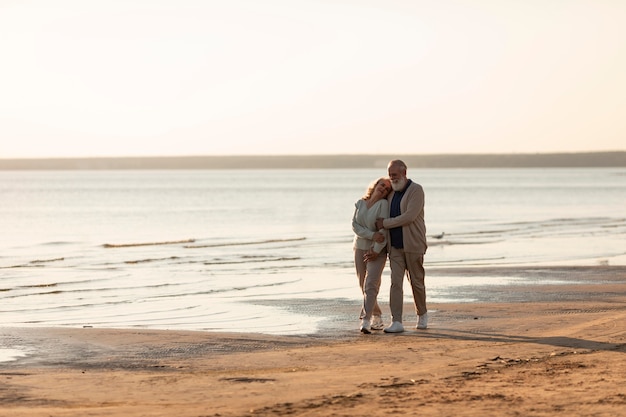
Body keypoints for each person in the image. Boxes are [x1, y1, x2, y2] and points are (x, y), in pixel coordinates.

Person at [375, 160, 428, 333]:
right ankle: (396, 321)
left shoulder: (416, 190)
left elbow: (409, 217)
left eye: (395, 175)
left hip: (414, 244)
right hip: (395, 247)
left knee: (417, 282)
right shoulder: (391, 193)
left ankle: (422, 314)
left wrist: (385, 223)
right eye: (390, 175)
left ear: (404, 173)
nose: (392, 178)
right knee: (395, 283)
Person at [352, 177, 392, 334]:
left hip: (377, 251)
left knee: (371, 284)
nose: (383, 189)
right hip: (359, 248)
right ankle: (377, 315)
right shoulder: (360, 203)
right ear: (375, 185)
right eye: (382, 185)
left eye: (387, 189)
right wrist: (371, 234)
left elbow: (383, 232)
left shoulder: (384, 205)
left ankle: (365, 320)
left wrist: (376, 249)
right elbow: (354, 225)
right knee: (363, 284)